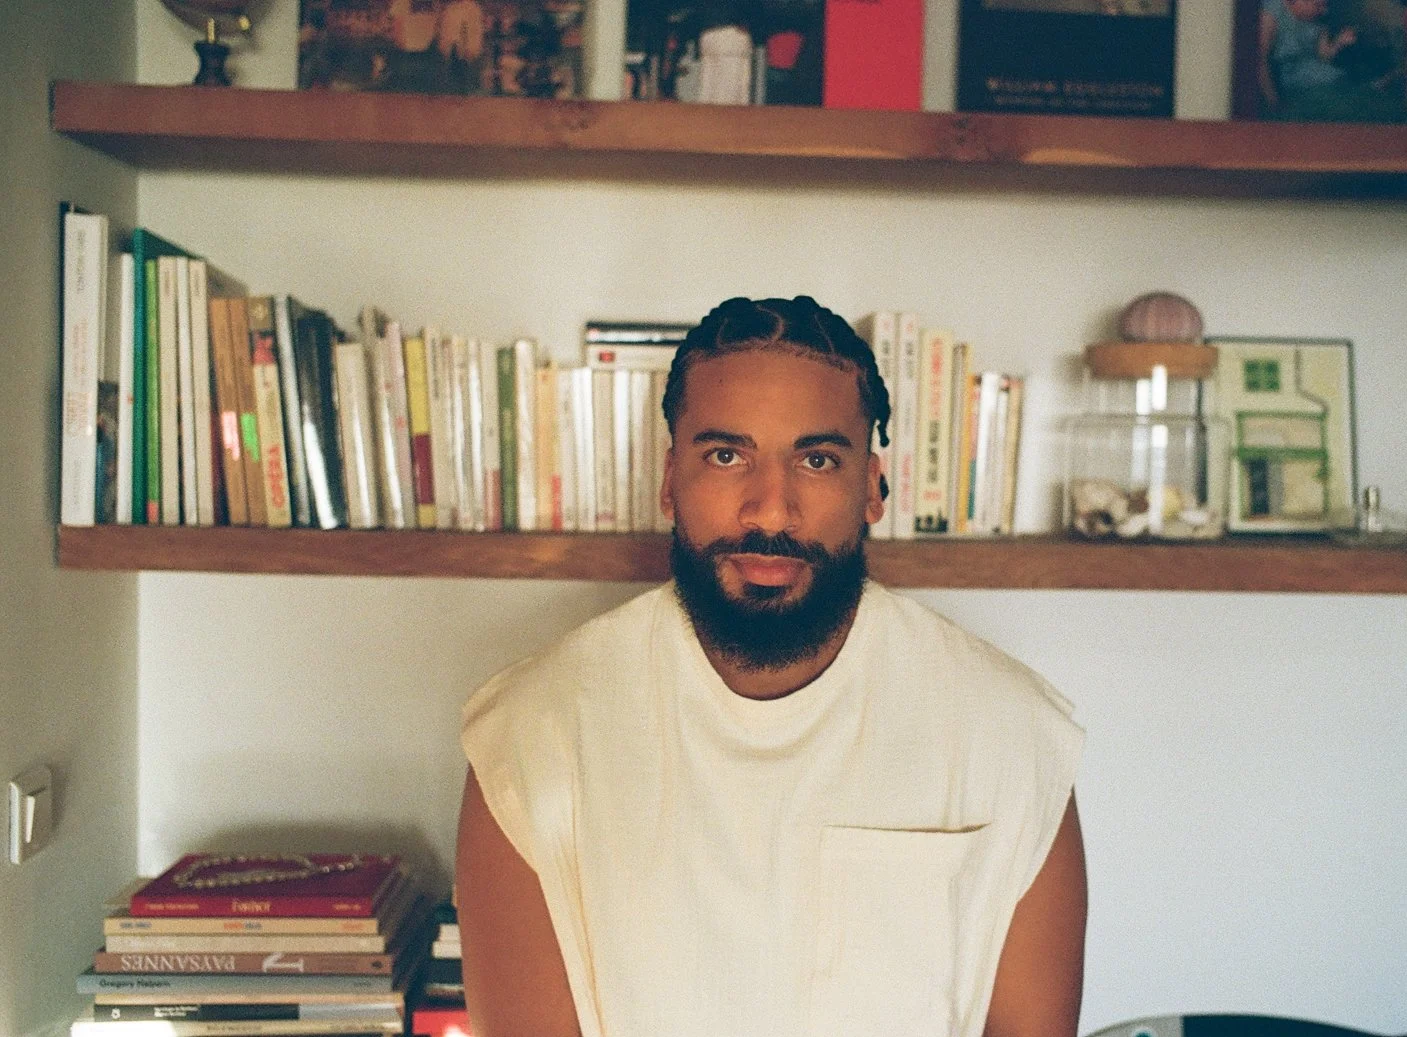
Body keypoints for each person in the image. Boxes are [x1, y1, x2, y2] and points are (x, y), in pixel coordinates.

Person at [456, 296, 1086, 1037]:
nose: (770, 510)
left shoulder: (1011, 732)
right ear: (668, 481)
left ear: (873, 488)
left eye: (816, 459)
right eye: (726, 455)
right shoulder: (531, 735)